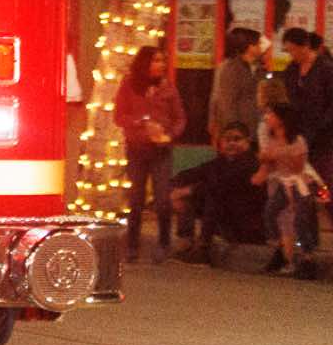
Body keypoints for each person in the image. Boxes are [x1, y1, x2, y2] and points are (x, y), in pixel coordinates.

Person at [113, 45, 185, 263]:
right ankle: (132, 245)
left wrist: (170, 135)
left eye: (162, 61)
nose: (160, 65)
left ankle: (164, 243)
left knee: (162, 199)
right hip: (137, 150)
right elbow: (119, 116)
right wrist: (142, 122)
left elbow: (180, 118)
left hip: (161, 151)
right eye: (156, 61)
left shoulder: (168, 88)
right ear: (145, 63)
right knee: (136, 199)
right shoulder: (129, 85)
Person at [170, 122, 264, 264]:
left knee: (212, 196)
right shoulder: (220, 162)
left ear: (247, 142)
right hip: (225, 216)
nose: (231, 143)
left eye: (237, 139)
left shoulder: (251, 163)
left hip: (246, 223)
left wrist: (185, 191)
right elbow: (194, 173)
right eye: (227, 140)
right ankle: (186, 243)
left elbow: (220, 185)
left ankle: (204, 248)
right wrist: (171, 187)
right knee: (187, 197)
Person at [253, 104, 325, 279]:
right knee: (270, 212)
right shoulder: (272, 140)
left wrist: (279, 154)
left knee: (300, 219)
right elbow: (268, 163)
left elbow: (298, 167)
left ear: (281, 119)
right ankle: (280, 248)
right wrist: (261, 172)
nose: (267, 117)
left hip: (301, 183)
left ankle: (308, 257)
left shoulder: (297, 141)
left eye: (271, 114)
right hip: (284, 182)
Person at [278, 27, 333, 187]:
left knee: (323, 180)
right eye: (288, 51)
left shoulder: (326, 69)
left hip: (323, 136)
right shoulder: (291, 70)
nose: (291, 54)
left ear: (306, 46)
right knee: (300, 182)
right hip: (298, 134)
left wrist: (320, 126)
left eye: (293, 50)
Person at [211, 26, 267, 146]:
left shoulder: (260, 68)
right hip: (240, 134)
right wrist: (235, 133)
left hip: (258, 133)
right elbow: (227, 104)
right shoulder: (231, 69)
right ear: (250, 47)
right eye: (258, 44)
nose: (261, 47)